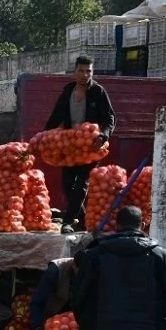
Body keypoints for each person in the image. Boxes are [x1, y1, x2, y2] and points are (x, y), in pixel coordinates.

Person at [45, 56, 116, 234]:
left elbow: (109, 118)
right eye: (81, 71)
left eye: (88, 71)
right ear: (74, 72)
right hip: (71, 146)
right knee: (67, 184)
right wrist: (45, 136)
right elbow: (56, 116)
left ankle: (68, 222)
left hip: (91, 146)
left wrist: (103, 136)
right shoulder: (68, 91)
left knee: (81, 183)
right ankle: (83, 219)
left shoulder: (98, 92)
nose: (85, 75)